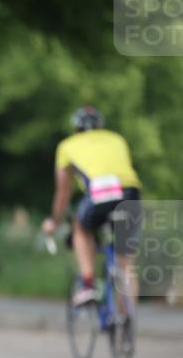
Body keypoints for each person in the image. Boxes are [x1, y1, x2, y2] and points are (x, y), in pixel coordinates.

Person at [41, 106, 142, 306]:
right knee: (127, 263)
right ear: (99, 126)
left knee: (80, 228)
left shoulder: (67, 145)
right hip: (131, 193)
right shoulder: (117, 139)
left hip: (100, 192)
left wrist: (54, 222)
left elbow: (63, 193)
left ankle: (88, 284)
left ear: (76, 128)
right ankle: (127, 325)